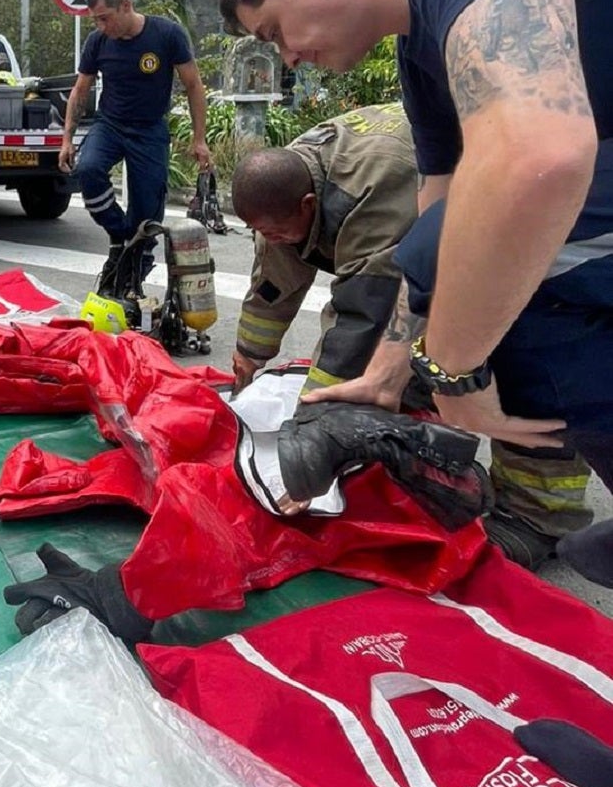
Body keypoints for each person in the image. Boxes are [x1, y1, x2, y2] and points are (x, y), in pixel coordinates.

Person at [217, 0, 613, 583]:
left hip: (589, 160)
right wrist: (393, 372)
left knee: (502, 289)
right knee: (452, 259)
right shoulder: (422, 48)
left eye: (275, 32)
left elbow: (543, 154)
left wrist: (454, 373)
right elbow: (435, 223)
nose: (288, 58)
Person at [230, 102, 592, 567]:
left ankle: (539, 519)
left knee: (525, 367)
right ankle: (410, 462)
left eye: (278, 230)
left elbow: (367, 314)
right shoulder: (284, 184)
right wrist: (248, 352)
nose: (273, 237)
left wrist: (313, 433)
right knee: (403, 371)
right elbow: (274, 278)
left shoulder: (369, 191)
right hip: (451, 232)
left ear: (307, 206)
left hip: (529, 228)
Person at [58, 0, 211, 293]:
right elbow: (80, 89)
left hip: (149, 130)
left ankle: (132, 274)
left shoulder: (167, 34)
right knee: (88, 170)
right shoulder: (98, 42)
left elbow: (194, 85)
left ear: (125, 5)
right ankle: (119, 234)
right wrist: (66, 140)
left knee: (148, 211)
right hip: (110, 124)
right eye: (96, 20)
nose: (101, 26)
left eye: (105, 17)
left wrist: (199, 139)